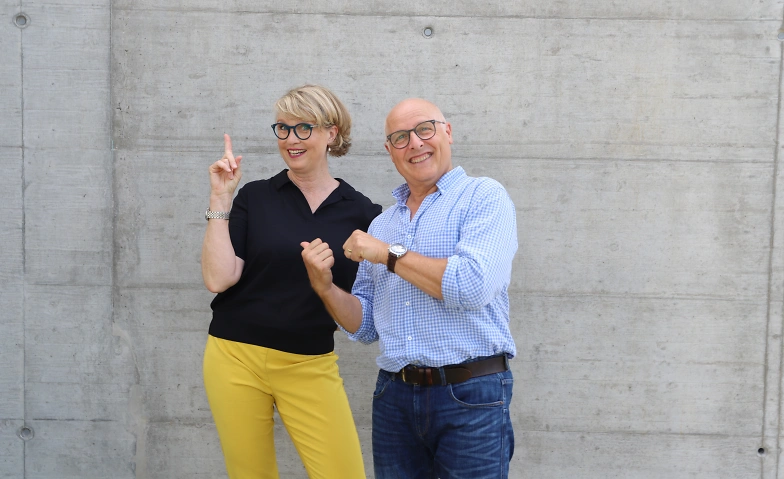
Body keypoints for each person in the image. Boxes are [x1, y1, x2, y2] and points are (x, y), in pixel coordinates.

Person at [300, 98, 518, 478]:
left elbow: (472, 285)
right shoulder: (382, 224)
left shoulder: (483, 196)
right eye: (400, 137)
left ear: (447, 132)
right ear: (390, 151)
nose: (415, 143)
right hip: (394, 398)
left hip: (471, 394)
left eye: (424, 129)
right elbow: (366, 327)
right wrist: (326, 288)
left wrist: (387, 254)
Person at [201, 84, 381, 479]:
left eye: (303, 128)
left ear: (331, 133)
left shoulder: (364, 214)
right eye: (283, 128)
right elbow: (218, 278)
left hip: (309, 363)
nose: (291, 139)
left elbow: (362, 316)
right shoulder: (255, 196)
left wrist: (325, 283)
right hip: (234, 356)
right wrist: (220, 199)